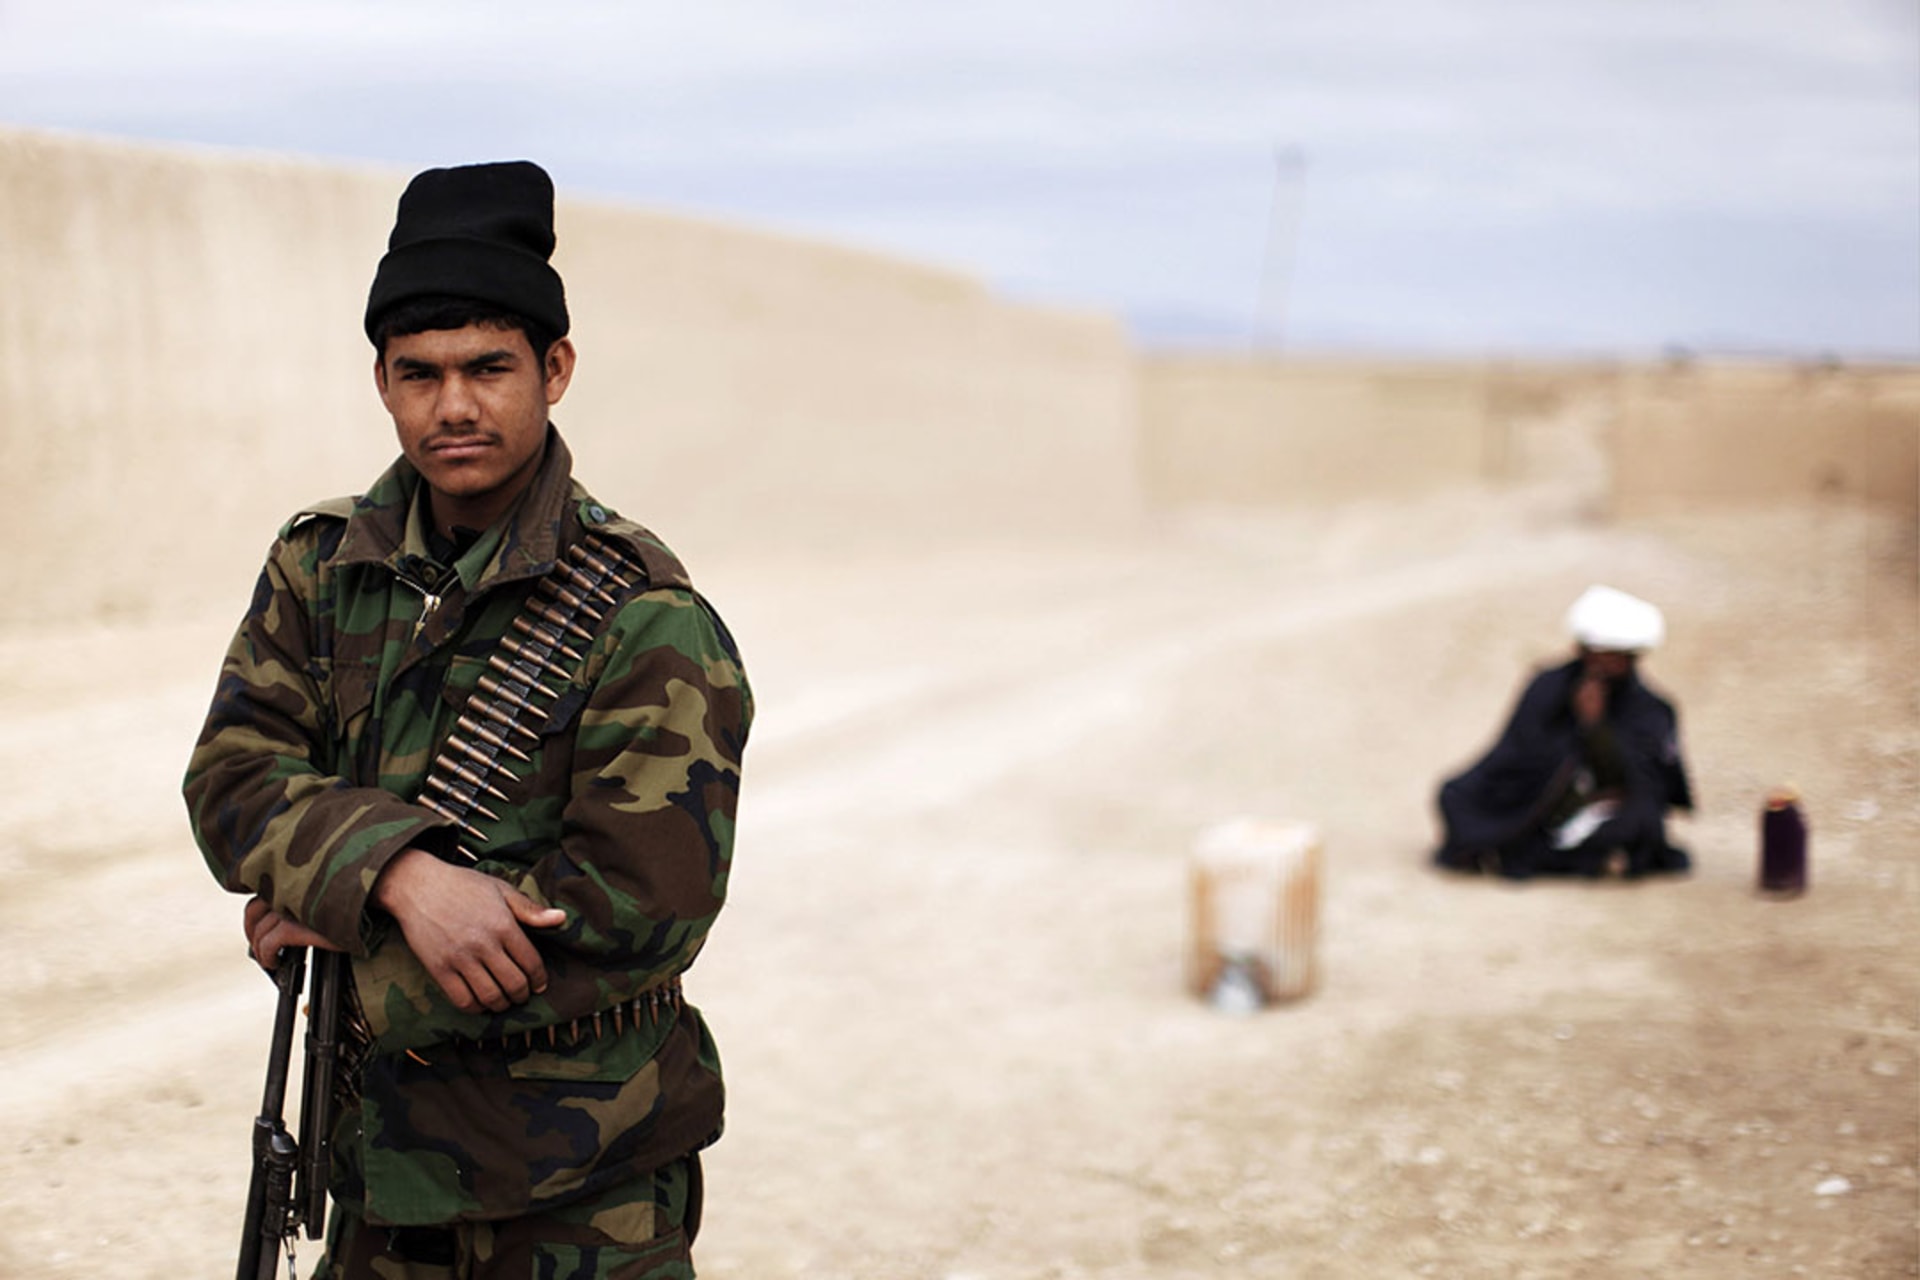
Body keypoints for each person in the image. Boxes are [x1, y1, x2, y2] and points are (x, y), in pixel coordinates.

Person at [184, 160, 752, 1278]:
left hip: (579, 1197)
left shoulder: (641, 609)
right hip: (374, 1176)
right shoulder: (323, 565)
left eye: (490, 367)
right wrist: (400, 876)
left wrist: (346, 936)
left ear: (556, 369)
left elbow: (641, 909)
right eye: (420, 372)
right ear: (383, 382)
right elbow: (232, 779)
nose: (453, 405)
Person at [1432, 585, 1691, 880]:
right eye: (1591, 655)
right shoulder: (1549, 686)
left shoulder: (1650, 708)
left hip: (1600, 811)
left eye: (1610, 657)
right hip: (1540, 803)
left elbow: (1643, 781)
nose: (1598, 665)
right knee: (1455, 795)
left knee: (1638, 823)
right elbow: (1517, 753)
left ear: (1631, 658)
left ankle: (1534, 855)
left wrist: (1595, 726)